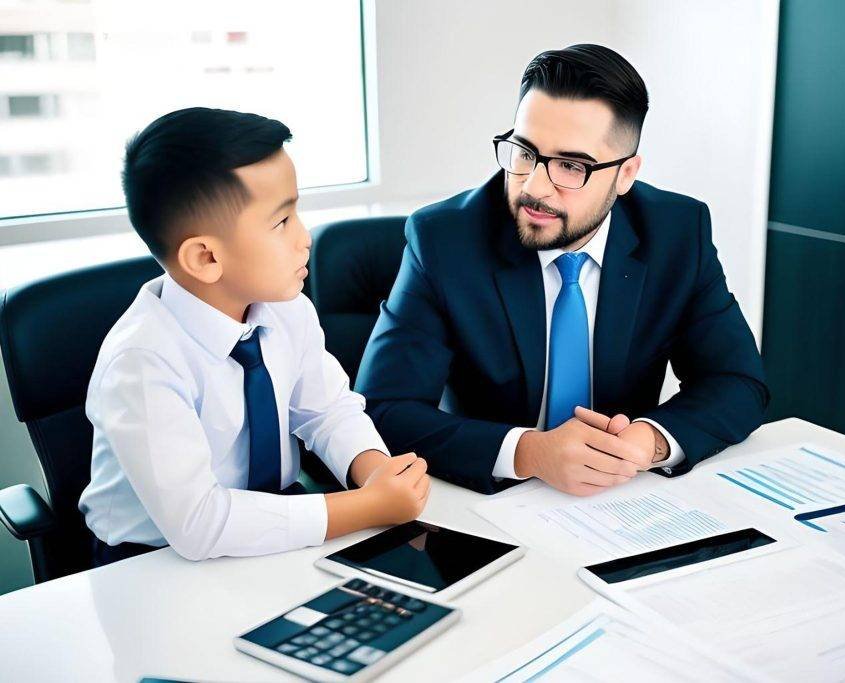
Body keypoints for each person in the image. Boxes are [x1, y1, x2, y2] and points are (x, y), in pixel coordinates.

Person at [356, 44, 768, 496]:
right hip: (492, 500)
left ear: (626, 174)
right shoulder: (445, 239)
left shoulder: (677, 232)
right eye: (524, 152)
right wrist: (530, 452)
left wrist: (645, 443)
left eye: (571, 166)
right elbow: (384, 407)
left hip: (622, 498)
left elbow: (737, 382)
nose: (533, 186)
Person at [79, 107, 429, 565]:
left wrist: (377, 473)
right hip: (154, 562)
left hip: (279, 526)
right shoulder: (141, 361)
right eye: (281, 222)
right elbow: (199, 525)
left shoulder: (289, 309)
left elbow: (327, 411)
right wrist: (367, 507)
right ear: (205, 258)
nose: (305, 238)